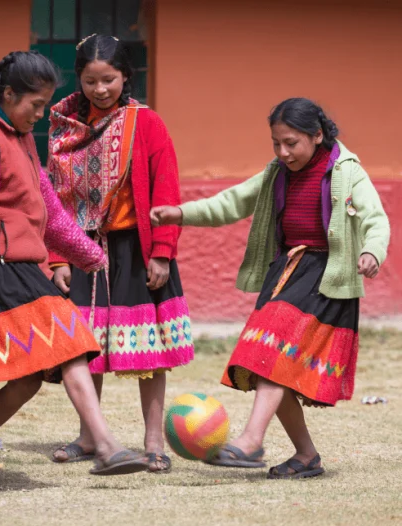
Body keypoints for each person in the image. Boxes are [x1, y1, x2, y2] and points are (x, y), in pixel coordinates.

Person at [0, 51, 149, 492]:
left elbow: (49, 211)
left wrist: (88, 253)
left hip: (18, 269)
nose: (40, 114)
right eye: (35, 105)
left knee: (28, 381)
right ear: (7, 94)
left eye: (45, 105)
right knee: (71, 344)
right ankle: (108, 446)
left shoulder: (17, 139)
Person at [150, 97, 390, 479]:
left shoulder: (346, 171)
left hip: (324, 277)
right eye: (276, 143)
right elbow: (230, 203)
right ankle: (306, 456)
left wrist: (372, 252)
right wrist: (180, 213)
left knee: (272, 351)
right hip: (285, 274)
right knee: (270, 366)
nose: (283, 151)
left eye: (291, 143)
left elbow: (375, 219)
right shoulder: (277, 173)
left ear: (317, 135)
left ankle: (250, 441)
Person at [48, 34, 194, 473]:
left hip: (137, 249)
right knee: (85, 347)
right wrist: (57, 259)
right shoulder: (64, 126)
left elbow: (167, 188)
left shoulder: (147, 124)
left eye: (108, 80)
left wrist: (163, 252)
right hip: (82, 246)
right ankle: (90, 435)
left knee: (147, 350)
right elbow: (54, 197)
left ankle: (153, 443)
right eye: (90, 80)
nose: (100, 90)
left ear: (126, 76)